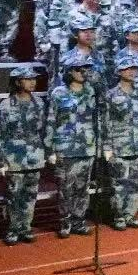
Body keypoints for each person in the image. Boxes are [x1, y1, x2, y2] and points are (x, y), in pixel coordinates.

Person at [0, 64, 45, 244]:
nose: (32, 82)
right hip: (14, 158)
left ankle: (26, 227)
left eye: (34, 79)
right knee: (14, 195)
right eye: (28, 79)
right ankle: (13, 228)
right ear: (17, 82)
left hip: (34, 156)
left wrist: (46, 152)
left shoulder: (39, 103)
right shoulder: (6, 105)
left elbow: (43, 130)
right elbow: (0, 134)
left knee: (30, 195)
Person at [47, 50, 98, 238]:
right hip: (65, 149)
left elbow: (96, 119)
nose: (83, 72)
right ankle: (65, 221)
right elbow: (51, 120)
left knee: (83, 188)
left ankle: (79, 220)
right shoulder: (58, 93)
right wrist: (50, 149)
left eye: (85, 69)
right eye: (78, 69)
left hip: (86, 147)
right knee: (65, 188)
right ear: (69, 71)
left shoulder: (90, 91)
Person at [102, 52, 138, 230]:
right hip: (119, 145)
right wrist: (107, 146)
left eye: (134, 68)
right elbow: (105, 122)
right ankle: (119, 216)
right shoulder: (111, 95)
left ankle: (130, 214)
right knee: (119, 184)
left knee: (136, 183)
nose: (131, 71)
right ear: (119, 71)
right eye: (127, 68)